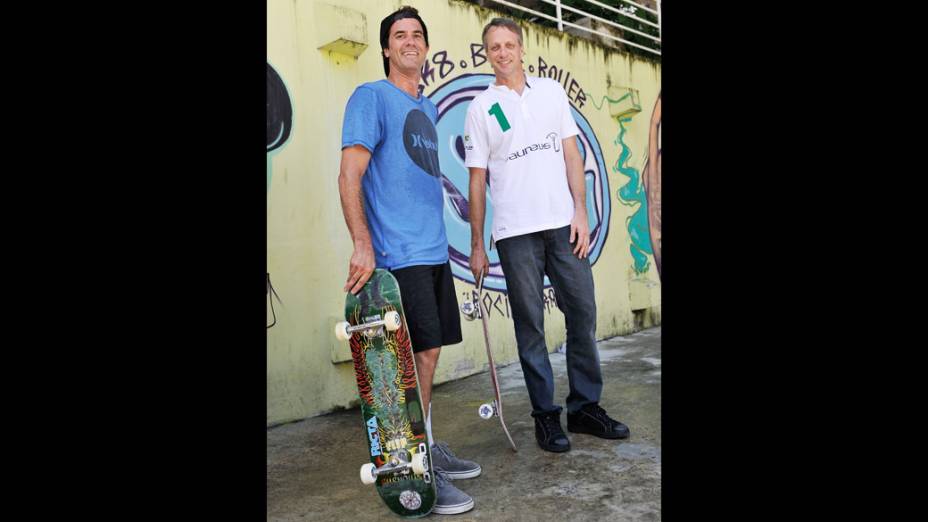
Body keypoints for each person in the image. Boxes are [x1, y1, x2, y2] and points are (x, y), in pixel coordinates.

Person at [464, 18, 630, 453]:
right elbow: (476, 180)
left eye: (509, 44)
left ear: (522, 48)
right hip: (515, 233)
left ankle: (584, 408)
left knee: (583, 313)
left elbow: (572, 153)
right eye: (494, 47)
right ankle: (545, 418)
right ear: (487, 54)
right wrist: (478, 243)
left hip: (562, 225)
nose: (502, 52)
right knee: (530, 327)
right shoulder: (481, 108)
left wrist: (580, 210)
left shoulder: (552, 94)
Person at [337, 5, 479, 515]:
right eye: (400, 35)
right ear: (386, 48)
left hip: (433, 249)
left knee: (430, 354)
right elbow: (349, 174)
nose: (410, 42)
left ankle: (425, 442)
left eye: (418, 35)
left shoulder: (428, 107)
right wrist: (362, 243)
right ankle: (413, 465)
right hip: (399, 252)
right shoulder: (371, 97)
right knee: (410, 362)